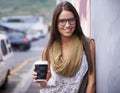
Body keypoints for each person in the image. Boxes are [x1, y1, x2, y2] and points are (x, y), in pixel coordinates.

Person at [32, 1, 96, 93]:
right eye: (62, 21)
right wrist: (40, 81)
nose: (67, 25)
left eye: (71, 20)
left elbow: (92, 82)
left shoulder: (88, 45)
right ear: (56, 23)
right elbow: (45, 84)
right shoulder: (49, 49)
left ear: (76, 20)